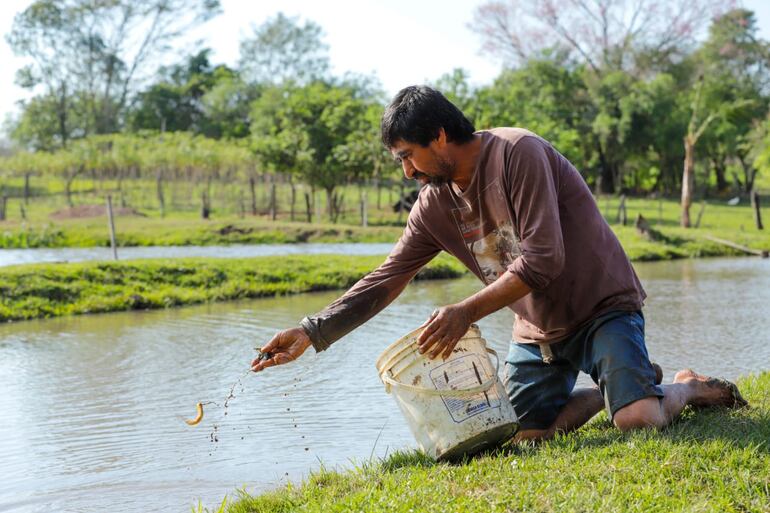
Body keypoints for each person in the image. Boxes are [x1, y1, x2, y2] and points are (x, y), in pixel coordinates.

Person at [251, 85, 746, 441]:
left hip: (602, 308)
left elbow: (544, 260)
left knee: (638, 420)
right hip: (537, 331)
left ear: (439, 135)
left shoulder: (518, 154)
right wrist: (311, 332)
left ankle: (680, 388)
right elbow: (388, 277)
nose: (406, 171)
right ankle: (612, 389)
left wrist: (463, 312)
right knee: (520, 436)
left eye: (408, 156)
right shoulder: (433, 204)